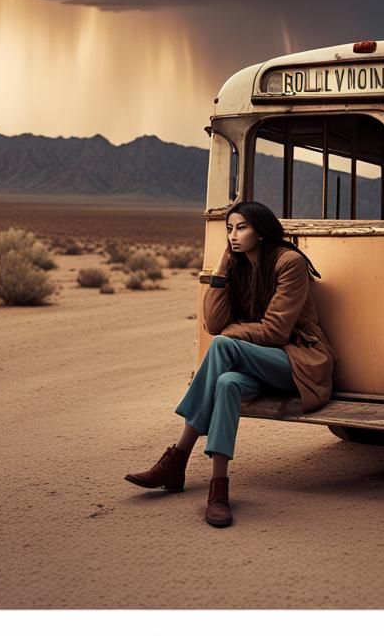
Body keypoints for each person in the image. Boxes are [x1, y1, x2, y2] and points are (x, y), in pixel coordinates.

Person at [124, 201, 335, 527]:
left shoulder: (289, 262)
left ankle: (177, 458)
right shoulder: (237, 266)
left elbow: (276, 331)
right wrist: (221, 270)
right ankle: (218, 490)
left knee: (224, 345)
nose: (233, 236)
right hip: (255, 363)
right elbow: (213, 322)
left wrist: (232, 334)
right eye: (229, 229)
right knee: (226, 383)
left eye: (242, 228)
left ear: (262, 232)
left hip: (297, 363)